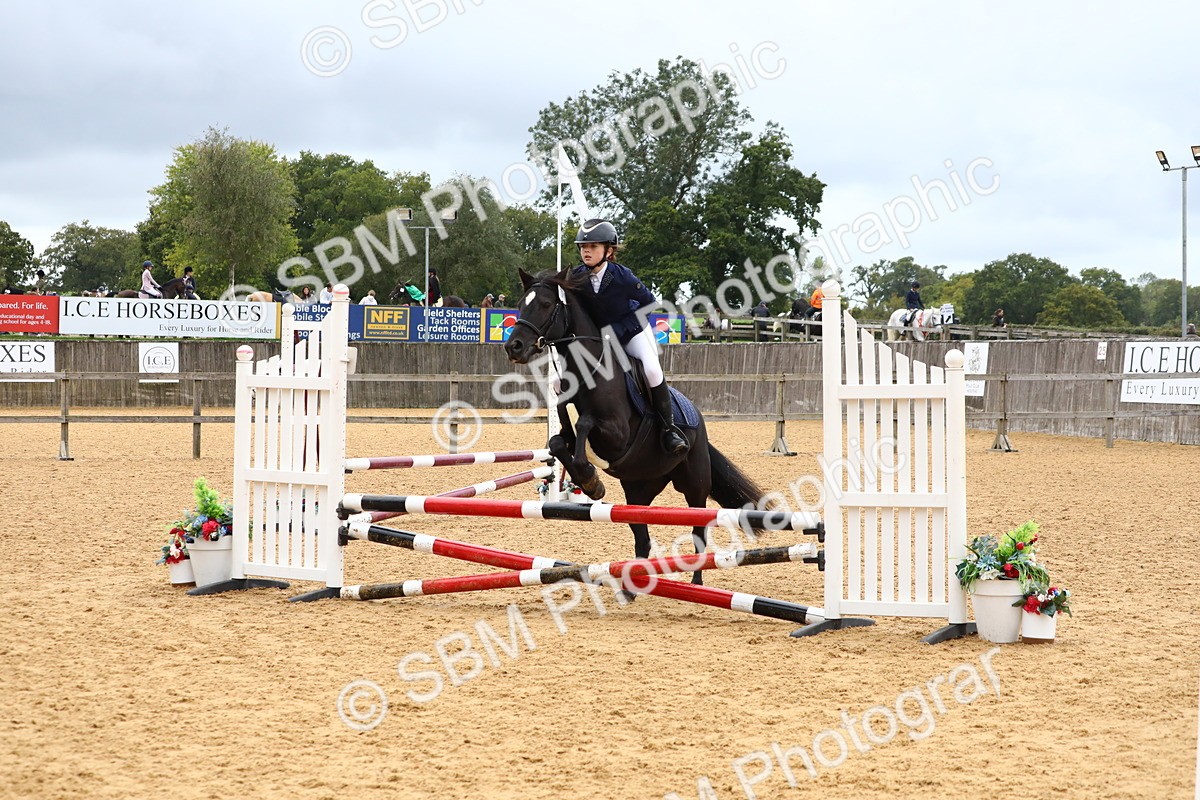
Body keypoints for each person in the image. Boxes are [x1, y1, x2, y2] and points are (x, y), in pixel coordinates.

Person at [570, 218, 688, 456]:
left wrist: (618, 332)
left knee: (652, 370)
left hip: (632, 331)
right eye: (583, 247)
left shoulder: (623, 276)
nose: (586, 251)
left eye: (592, 246)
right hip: (599, 340)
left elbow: (649, 303)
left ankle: (669, 429)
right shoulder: (577, 277)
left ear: (609, 250)